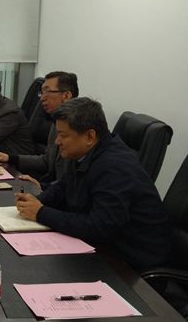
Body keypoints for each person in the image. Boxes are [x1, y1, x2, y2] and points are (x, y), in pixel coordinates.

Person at [14, 98, 170, 270]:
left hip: (129, 263)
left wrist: (41, 212)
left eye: (63, 135)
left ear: (89, 136)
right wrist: (37, 200)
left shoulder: (115, 167)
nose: (57, 141)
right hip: (103, 247)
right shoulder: (84, 153)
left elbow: (99, 227)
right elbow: (64, 186)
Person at [0, 71, 78, 187]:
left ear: (66, 96)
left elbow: (74, 183)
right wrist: (9, 158)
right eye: (41, 92)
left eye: (47, 92)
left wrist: (43, 187)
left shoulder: (80, 128)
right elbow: (46, 161)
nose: (42, 98)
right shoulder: (56, 122)